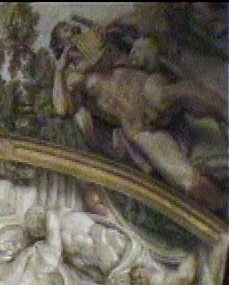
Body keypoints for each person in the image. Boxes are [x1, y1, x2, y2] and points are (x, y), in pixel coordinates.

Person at [51, 17, 228, 212]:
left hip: (147, 90)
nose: (74, 31)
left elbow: (144, 23)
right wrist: (59, 71)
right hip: (137, 125)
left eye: (75, 29)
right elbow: (62, 110)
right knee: (187, 179)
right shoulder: (74, 78)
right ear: (62, 48)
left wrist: (112, 24)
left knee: (167, 94)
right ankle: (223, 206)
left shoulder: (105, 43)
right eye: (67, 32)